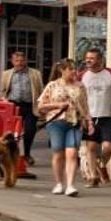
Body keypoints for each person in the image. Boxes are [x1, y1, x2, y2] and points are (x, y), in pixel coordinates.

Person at [33, 59, 87, 195]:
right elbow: (40, 106)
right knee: (58, 153)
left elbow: (85, 106)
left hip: (74, 123)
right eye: (70, 69)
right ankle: (58, 183)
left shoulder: (80, 86)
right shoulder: (52, 85)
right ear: (62, 70)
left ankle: (70, 185)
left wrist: (88, 121)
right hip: (56, 122)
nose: (73, 71)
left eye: (74, 69)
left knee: (72, 153)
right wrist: (57, 106)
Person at [77, 48, 111, 188]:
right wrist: (82, 115)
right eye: (87, 58)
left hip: (106, 117)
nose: (88, 60)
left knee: (108, 147)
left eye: (91, 58)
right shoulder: (82, 75)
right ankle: (93, 177)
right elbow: (78, 96)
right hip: (90, 117)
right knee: (91, 147)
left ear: (100, 59)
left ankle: (101, 164)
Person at [0, 50, 40, 167]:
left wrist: (41, 105)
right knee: (10, 133)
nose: (19, 63)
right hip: (13, 106)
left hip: (29, 106)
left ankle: (27, 153)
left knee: (30, 130)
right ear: (12, 61)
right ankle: (9, 154)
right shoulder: (6, 74)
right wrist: (4, 100)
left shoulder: (35, 73)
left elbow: (41, 91)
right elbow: (3, 91)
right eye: (16, 60)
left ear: (25, 61)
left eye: (22, 60)